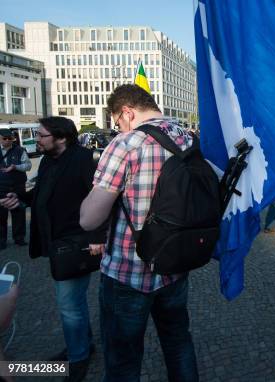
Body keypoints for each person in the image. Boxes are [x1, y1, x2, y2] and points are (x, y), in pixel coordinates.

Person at [79, 84, 198, 381]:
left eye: (117, 121)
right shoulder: (190, 140)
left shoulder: (127, 143)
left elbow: (90, 220)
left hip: (128, 272)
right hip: (175, 266)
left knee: (123, 360)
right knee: (178, 342)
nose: (117, 128)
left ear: (128, 112)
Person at [0, 117, 104, 382]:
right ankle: (82, 345)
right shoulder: (47, 160)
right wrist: (20, 199)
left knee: (69, 304)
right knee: (74, 303)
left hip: (75, 242)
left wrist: (96, 238)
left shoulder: (84, 159)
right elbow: (41, 194)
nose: (37, 140)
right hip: (54, 241)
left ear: (61, 137)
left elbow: (98, 200)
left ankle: (78, 358)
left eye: (41, 135)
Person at [0, 130, 31, 249]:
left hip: (17, 187)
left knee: (18, 213)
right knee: (1, 215)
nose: (7, 141)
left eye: (9, 138)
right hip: (1, 188)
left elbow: (28, 166)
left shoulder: (20, 150)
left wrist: (15, 167)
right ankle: (1, 240)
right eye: (4, 138)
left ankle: (19, 237)